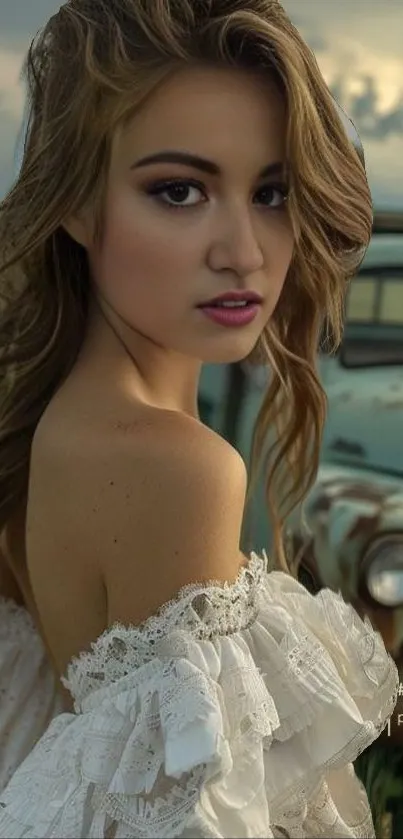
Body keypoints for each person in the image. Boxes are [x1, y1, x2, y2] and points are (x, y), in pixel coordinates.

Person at [0, 0, 398, 835]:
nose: (245, 252)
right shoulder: (174, 466)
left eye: (271, 192)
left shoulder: (65, 423)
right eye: (178, 190)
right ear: (73, 203)